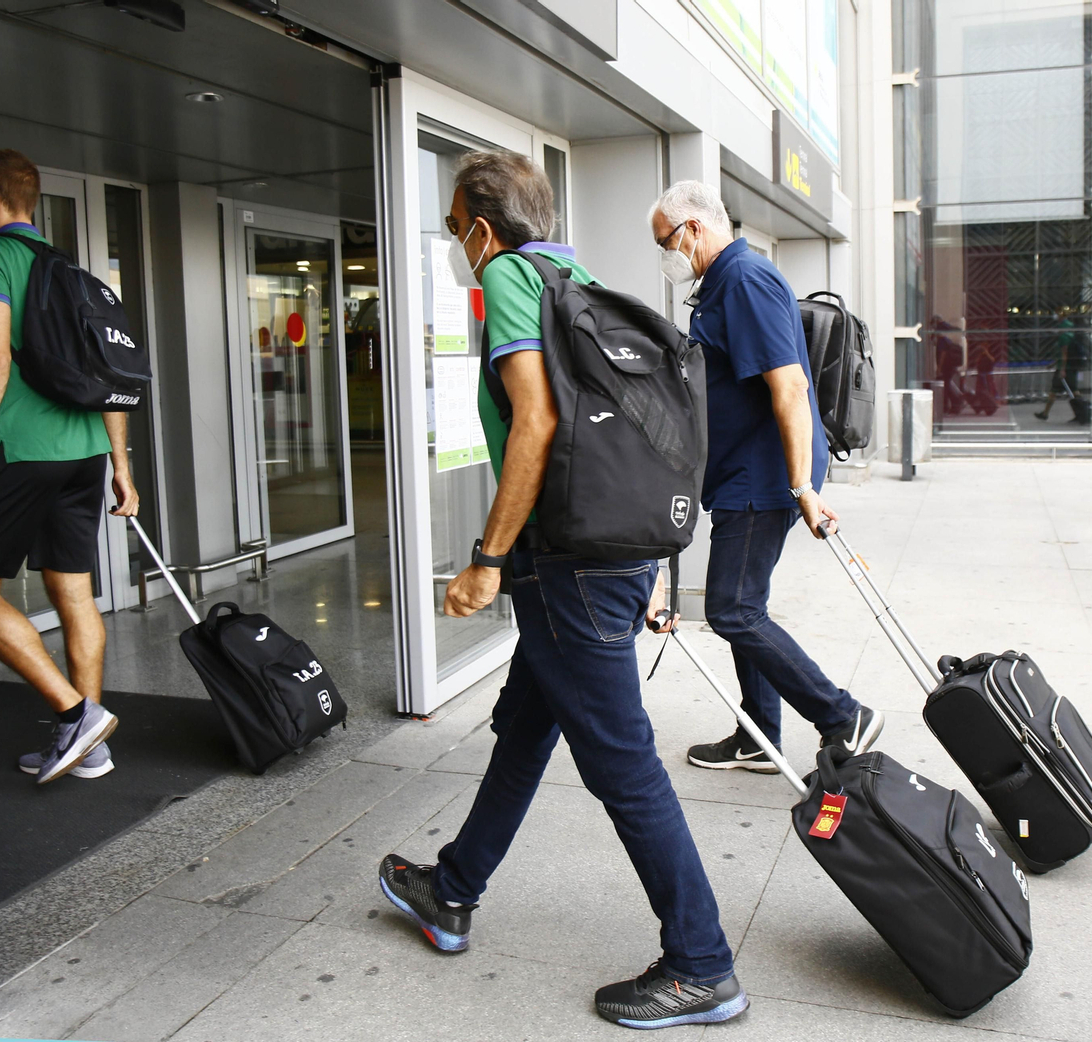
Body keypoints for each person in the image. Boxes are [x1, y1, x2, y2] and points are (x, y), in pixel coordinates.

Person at [377, 153, 746, 1030]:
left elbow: (537, 423)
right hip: (604, 556)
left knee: (622, 762)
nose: (455, 241)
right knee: (525, 730)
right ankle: (453, 889)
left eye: (453, 225)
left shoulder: (509, 275)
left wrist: (487, 557)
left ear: (480, 225)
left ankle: (702, 964)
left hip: (566, 567)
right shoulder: (577, 279)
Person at [644, 180, 882, 774]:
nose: (665, 255)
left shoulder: (746, 280)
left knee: (733, 609)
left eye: (665, 242)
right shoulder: (723, 283)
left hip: (761, 475)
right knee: (747, 604)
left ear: (693, 228)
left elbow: (790, 385)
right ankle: (758, 735)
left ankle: (843, 715)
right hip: (742, 473)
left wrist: (802, 487)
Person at [0, 150, 133, 784]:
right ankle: (90, 747)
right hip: (83, 452)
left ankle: (77, 715)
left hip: (17, 450)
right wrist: (120, 463)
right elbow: (110, 376)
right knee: (73, 591)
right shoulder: (70, 270)